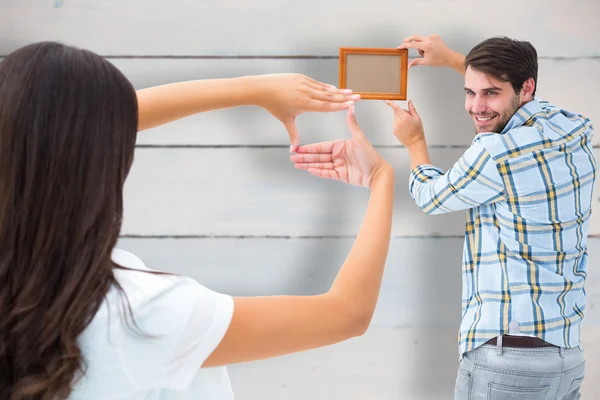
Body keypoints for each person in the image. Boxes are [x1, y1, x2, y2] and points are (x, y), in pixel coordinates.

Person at [0, 41, 395, 400]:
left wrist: (255, 91)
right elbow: (346, 313)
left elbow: (58, 132)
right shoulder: (140, 317)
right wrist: (381, 180)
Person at [388, 34, 594, 399]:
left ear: (525, 87)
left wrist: (415, 143)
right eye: (470, 91)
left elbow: (431, 197)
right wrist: (455, 59)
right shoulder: (573, 129)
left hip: (507, 362)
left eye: (490, 93)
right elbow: (514, 98)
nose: (476, 106)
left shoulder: (495, 153)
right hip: (565, 360)